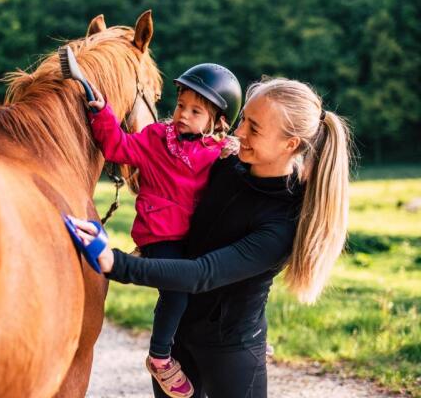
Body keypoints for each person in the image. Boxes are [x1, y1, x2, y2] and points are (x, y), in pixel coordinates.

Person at [70, 77, 351, 398]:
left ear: (291, 144)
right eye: (243, 118)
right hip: (177, 341)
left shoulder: (282, 222)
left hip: (230, 354)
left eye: (254, 128)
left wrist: (114, 262)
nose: (238, 131)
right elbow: (169, 177)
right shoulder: (224, 166)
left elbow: (203, 273)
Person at [86, 63, 242, 398]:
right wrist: (103, 115)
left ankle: (238, 342)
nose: (183, 114)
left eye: (196, 111)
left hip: (193, 236)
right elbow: (118, 148)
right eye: (180, 106)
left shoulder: (217, 152)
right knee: (176, 291)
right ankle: (159, 356)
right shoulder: (157, 138)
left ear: (218, 122)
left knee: (218, 281)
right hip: (161, 233)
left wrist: (234, 154)